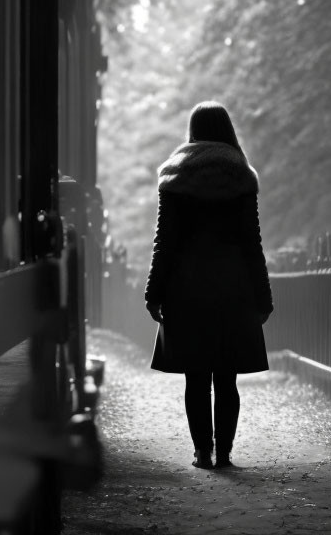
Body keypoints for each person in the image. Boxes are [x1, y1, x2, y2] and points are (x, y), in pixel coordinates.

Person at [144, 101, 273, 469]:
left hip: (186, 290)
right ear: (228, 130)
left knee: (195, 377)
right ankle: (226, 452)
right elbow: (252, 242)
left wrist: (154, 292)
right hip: (233, 289)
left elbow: (164, 241)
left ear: (193, 130)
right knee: (226, 377)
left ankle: (203, 450)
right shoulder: (242, 177)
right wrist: (263, 296)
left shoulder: (175, 177)